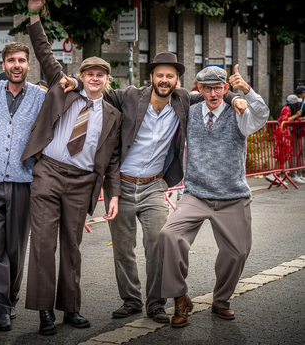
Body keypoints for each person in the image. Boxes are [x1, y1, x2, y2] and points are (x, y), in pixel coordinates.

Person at [62, 60, 245, 323]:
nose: (164, 80)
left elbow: (212, 90)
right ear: (151, 76)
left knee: (159, 244)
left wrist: (234, 96)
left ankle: (156, 303)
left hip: (155, 185)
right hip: (121, 185)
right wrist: (78, 82)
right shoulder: (130, 96)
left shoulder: (183, 100)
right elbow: (100, 89)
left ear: (177, 81)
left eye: (170, 76)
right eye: (160, 75)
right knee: (123, 249)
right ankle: (131, 300)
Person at [22, 0, 122, 336]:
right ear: (82, 76)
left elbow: (111, 161)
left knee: (72, 248)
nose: (94, 78)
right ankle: (44, 312)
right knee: (44, 244)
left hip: (82, 182)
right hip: (48, 173)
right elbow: (44, 52)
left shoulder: (113, 114)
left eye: (101, 74)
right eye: (89, 73)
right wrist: (35, 14)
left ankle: (71, 309)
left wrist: (114, 194)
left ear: (107, 80)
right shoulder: (62, 88)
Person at [159, 65, 269, 328]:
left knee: (238, 251)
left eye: (218, 87)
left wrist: (246, 91)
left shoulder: (239, 112)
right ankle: (180, 298)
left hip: (233, 196)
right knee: (169, 236)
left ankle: (221, 301)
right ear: (199, 89)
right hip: (195, 194)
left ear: (225, 89)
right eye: (206, 88)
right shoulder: (190, 112)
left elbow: (262, 115)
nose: (212, 93)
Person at [0, 42, 46, 332]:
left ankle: (11, 298)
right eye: (11, 60)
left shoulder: (40, 97)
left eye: (21, 60)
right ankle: (0, 307)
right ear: (3, 64)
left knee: (16, 248)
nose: (16, 65)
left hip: (23, 181)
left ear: (28, 64)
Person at [266, 95, 304, 185]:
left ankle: (277, 174)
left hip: (285, 134)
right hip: (282, 134)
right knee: (282, 155)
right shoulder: (286, 108)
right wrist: (296, 115)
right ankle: (274, 174)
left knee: (285, 154)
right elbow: (285, 120)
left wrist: (299, 118)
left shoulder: (288, 109)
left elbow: (290, 119)